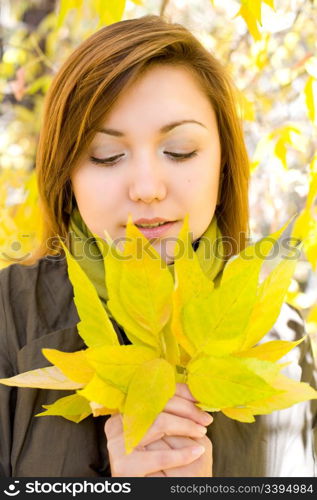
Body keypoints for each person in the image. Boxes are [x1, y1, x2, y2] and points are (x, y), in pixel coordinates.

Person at [0, 14, 316, 478]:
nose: (146, 188)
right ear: (65, 174)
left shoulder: (280, 338)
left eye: (181, 150)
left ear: (224, 163)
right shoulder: (11, 315)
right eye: (106, 156)